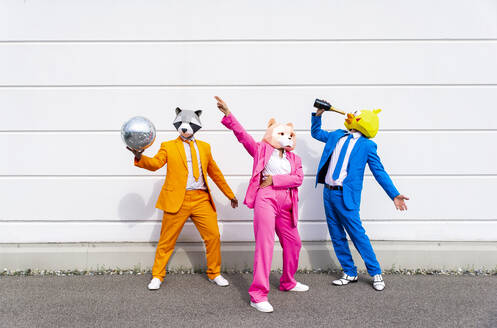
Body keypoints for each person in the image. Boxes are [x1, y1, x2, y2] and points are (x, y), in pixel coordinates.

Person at [128, 107, 238, 290]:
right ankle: (157, 275)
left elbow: (215, 173)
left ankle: (214, 273)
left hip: (201, 198)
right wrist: (140, 157)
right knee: (167, 239)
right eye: (181, 124)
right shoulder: (168, 146)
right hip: (177, 199)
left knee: (213, 236)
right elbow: (155, 164)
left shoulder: (205, 147)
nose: (185, 128)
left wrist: (230, 195)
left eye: (189, 125)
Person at [310, 103, 409, 291]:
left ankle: (375, 272)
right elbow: (316, 133)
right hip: (328, 193)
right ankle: (349, 272)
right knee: (336, 234)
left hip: (346, 196)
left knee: (357, 235)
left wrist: (394, 194)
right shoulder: (337, 135)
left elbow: (379, 171)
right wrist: (318, 116)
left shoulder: (367, 145)